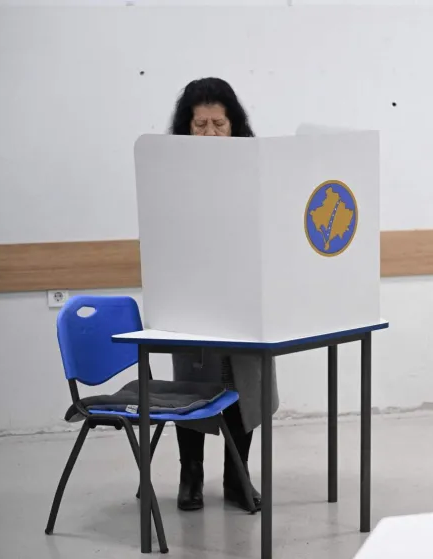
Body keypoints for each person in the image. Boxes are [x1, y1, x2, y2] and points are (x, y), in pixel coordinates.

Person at [168, 77, 279, 512]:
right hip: (192, 299)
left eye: (219, 123)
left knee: (245, 384)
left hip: (246, 297)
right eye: (200, 125)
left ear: (234, 126)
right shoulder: (170, 174)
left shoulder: (257, 169)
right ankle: (190, 475)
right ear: (186, 128)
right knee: (192, 387)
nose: (210, 133)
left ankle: (237, 476)